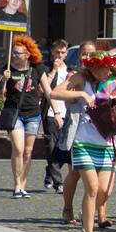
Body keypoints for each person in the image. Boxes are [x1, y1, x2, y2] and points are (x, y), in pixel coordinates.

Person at [50, 50, 116, 232]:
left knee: (104, 190)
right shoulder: (81, 78)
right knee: (92, 187)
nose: (106, 72)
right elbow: (55, 93)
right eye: (102, 69)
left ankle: (85, 213)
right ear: (94, 68)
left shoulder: (114, 80)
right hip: (83, 141)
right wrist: (80, 93)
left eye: (108, 68)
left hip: (105, 141)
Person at [0, 36, 52, 198]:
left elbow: (48, 91)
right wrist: (3, 80)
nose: (14, 55)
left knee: (28, 151)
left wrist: (58, 112)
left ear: (27, 54)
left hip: (33, 114)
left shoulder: (37, 68)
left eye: (17, 53)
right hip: (14, 113)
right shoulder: (8, 68)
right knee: (18, 149)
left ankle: (23, 185)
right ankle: (17, 184)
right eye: (13, 52)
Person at [59, 41, 97, 225]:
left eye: (91, 54)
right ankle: (68, 208)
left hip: (98, 133)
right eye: (84, 54)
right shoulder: (75, 75)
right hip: (77, 130)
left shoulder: (100, 76)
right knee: (75, 172)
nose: (88, 58)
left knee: (94, 176)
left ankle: (91, 211)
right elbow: (56, 94)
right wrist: (80, 94)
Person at [41, 40, 69, 194]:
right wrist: (53, 70)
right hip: (51, 112)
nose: (60, 55)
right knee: (52, 147)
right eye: (57, 52)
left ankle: (50, 170)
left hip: (67, 113)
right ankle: (59, 183)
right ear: (52, 52)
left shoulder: (70, 70)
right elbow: (42, 88)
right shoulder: (46, 68)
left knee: (65, 149)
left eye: (63, 52)